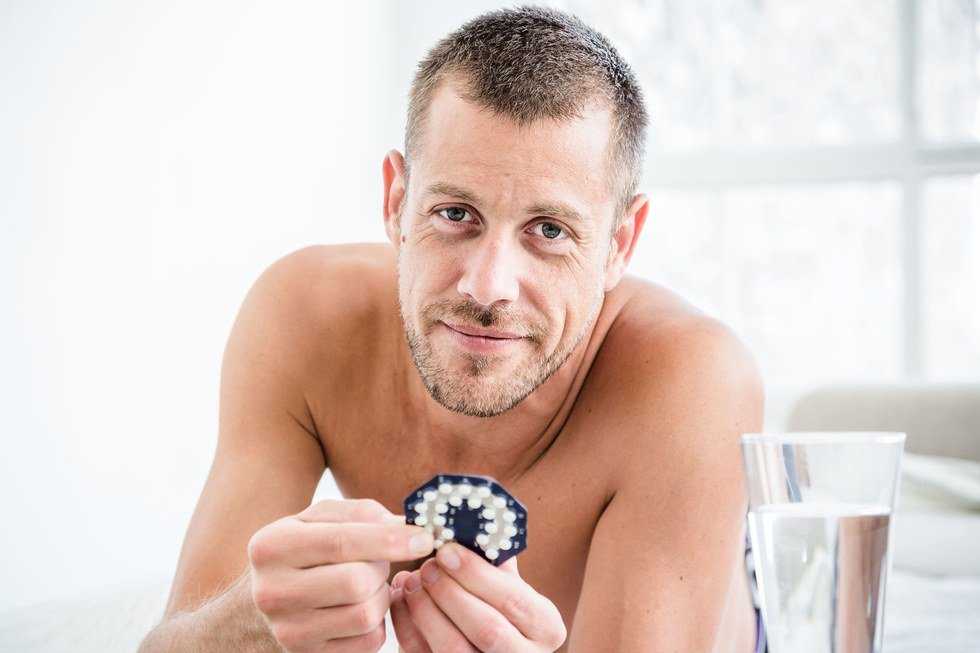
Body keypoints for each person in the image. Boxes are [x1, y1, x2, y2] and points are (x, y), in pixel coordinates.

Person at [138, 5, 765, 652]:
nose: (487, 286)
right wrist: (249, 623)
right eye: (456, 213)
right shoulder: (304, 318)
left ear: (619, 244)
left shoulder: (694, 380)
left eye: (549, 230)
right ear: (396, 202)